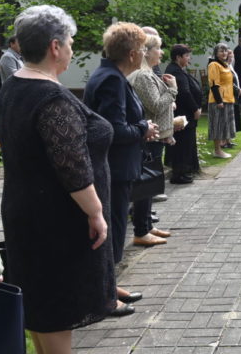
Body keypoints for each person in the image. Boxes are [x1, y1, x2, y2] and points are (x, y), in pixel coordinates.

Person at [0, 5, 115, 351]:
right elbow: (73, 167)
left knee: (41, 306)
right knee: (57, 309)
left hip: (26, 213)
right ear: (54, 47)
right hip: (56, 224)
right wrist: (95, 212)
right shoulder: (52, 98)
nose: (73, 49)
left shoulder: (13, 87)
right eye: (71, 42)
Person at [84, 22, 158, 317]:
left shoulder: (111, 75)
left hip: (116, 166)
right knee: (112, 229)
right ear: (131, 53)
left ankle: (110, 286)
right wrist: (144, 127)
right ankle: (104, 296)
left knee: (115, 226)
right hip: (113, 167)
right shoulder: (112, 80)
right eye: (142, 49)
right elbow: (113, 129)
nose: (143, 54)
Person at [127, 33, 176, 247]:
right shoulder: (143, 76)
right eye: (158, 48)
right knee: (145, 185)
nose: (162, 52)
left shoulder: (148, 74)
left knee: (149, 184)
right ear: (146, 51)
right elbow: (155, 106)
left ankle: (146, 225)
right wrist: (173, 90)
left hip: (156, 135)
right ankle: (141, 229)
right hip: (149, 135)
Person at [164, 44, 202, 184]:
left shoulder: (177, 69)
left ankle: (184, 171)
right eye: (186, 56)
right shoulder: (176, 72)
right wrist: (195, 109)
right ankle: (179, 174)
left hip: (185, 113)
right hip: (183, 114)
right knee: (183, 145)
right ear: (178, 57)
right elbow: (185, 92)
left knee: (186, 144)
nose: (189, 59)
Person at [207, 43, 236, 159]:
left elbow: (228, 82)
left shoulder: (225, 65)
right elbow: (214, 84)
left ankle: (222, 148)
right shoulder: (214, 65)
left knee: (225, 125)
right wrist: (219, 101)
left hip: (228, 99)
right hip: (218, 100)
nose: (224, 53)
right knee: (217, 126)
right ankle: (217, 151)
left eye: (225, 51)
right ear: (216, 53)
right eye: (221, 51)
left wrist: (236, 89)